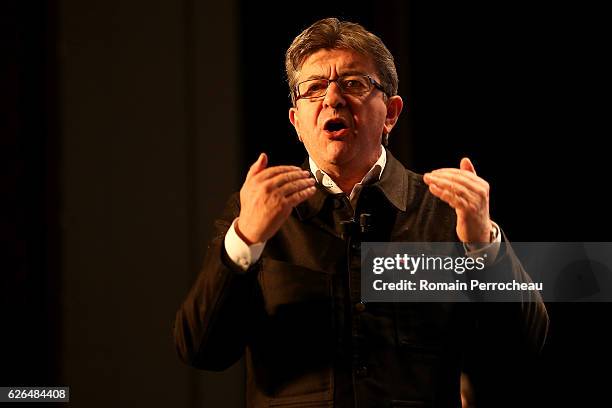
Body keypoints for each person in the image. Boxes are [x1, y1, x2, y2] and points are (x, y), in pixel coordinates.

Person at [174, 17, 548, 408]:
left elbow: (523, 347)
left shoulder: (443, 211)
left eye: (354, 84)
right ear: (296, 122)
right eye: (314, 88)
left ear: (390, 112)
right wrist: (246, 239)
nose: (332, 100)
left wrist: (483, 245)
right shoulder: (254, 212)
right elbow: (201, 351)